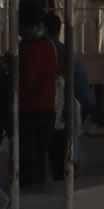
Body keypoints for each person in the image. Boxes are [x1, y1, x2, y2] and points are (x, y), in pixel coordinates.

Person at [43, 13, 96, 181]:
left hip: (37, 110)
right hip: (64, 111)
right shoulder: (66, 52)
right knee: (64, 157)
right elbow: (80, 84)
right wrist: (92, 104)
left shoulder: (31, 49)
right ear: (59, 30)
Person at [18, 0, 60, 186]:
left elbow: (23, 84)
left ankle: (30, 194)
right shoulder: (50, 47)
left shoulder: (24, 50)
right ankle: (39, 189)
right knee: (40, 157)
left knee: (27, 158)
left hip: (28, 110)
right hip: (48, 110)